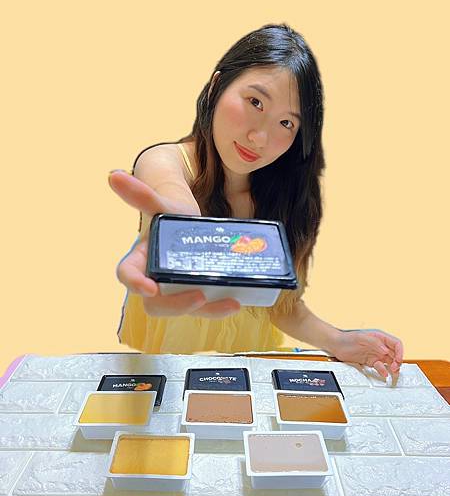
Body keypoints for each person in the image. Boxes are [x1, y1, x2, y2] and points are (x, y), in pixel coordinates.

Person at [109, 23, 403, 379]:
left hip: (251, 369)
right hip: (166, 370)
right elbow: (174, 197)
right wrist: (179, 229)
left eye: (286, 123)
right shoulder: (165, 161)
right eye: (255, 102)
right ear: (216, 87)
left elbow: (281, 306)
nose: (259, 137)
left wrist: (340, 341)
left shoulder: (285, 199)